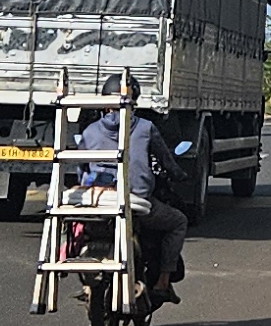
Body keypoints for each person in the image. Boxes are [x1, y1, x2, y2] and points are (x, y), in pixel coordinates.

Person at [71, 77, 186, 304]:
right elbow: (165, 160)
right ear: (134, 101)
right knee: (178, 222)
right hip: (136, 201)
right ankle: (163, 282)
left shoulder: (90, 131)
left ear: (105, 103)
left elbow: (81, 168)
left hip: (96, 201)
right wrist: (179, 174)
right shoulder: (146, 127)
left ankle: (87, 284)